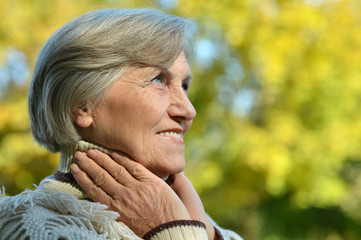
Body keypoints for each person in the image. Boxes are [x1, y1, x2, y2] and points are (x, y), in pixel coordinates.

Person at [0, 8, 242, 240]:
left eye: (185, 86)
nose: (189, 111)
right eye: (158, 79)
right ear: (82, 106)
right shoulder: (35, 227)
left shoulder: (200, 222)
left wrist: (207, 233)